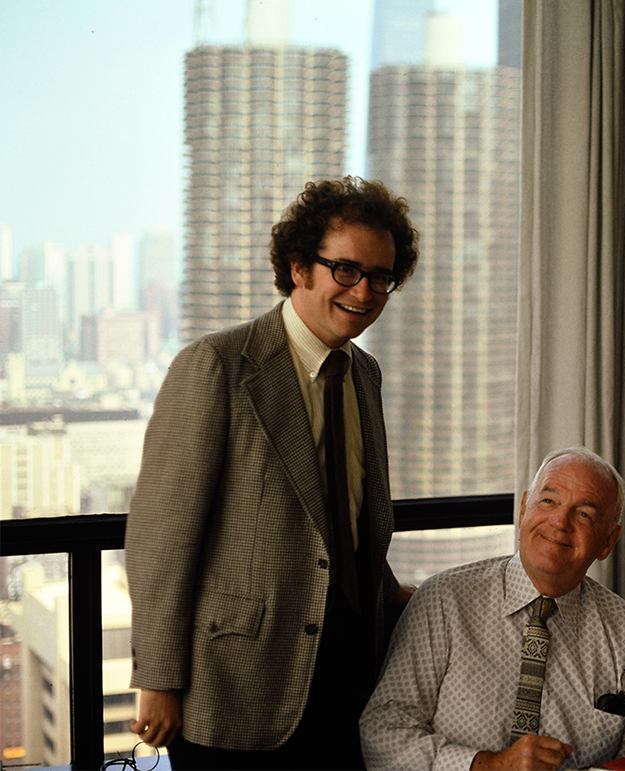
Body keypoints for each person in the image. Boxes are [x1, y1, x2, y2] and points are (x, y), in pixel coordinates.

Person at [124, 176, 420, 768]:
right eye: (346, 270)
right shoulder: (218, 365)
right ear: (298, 267)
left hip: (352, 671)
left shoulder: (366, 374)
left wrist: (399, 602)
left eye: (381, 277)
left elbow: (351, 520)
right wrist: (157, 676)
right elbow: (162, 534)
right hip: (239, 682)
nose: (364, 292)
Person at [360, 447, 625, 771]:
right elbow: (382, 734)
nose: (560, 521)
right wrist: (486, 766)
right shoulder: (443, 601)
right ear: (523, 510)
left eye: (585, 514)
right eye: (548, 501)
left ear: (608, 542)